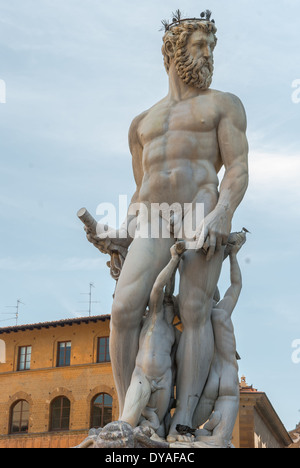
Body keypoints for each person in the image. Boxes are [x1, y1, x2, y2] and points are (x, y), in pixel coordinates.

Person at [86, 12, 248, 439]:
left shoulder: (223, 104)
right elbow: (140, 194)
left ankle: (183, 425)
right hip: (156, 218)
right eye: (200, 45)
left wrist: (222, 213)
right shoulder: (142, 123)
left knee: (194, 311)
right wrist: (118, 233)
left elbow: (237, 168)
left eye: (211, 47)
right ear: (175, 51)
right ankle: (130, 416)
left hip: (201, 209)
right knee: (123, 309)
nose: (209, 54)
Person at [120, 241, 185, 437]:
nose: (168, 301)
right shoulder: (153, 317)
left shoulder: (175, 331)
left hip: (164, 379)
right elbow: (158, 287)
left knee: (158, 429)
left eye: (171, 301)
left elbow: (177, 361)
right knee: (127, 422)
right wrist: (174, 259)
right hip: (143, 377)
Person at [192, 232, 246, 447]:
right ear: (216, 296)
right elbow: (236, 285)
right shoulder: (222, 312)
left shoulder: (194, 319)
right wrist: (232, 255)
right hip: (228, 375)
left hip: (210, 379)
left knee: (188, 427)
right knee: (221, 440)